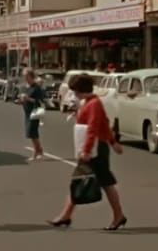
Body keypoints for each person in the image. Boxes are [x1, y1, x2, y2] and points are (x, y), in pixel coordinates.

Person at [49, 74, 127, 231]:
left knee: (96, 181)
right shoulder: (89, 102)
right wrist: (113, 143)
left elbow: (93, 128)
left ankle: (118, 215)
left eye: (75, 91)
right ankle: (66, 215)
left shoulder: (94, 104)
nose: (74, 94)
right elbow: (104, 124)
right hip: (94, 147)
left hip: (94, 149)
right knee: (88, 179)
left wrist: (86, 150)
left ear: (80, 90)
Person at [18, 68, 45, 161]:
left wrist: (29, 99)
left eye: (27, 76)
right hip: (27, 112)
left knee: (32, 132)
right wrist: (20, 99)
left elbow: (40, 100)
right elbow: (19, 99)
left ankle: (36, 152)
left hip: (34, 112)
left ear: (31, 76)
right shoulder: (24, 87)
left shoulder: (36, 87)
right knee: (31, 134)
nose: (25, 78)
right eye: (24, 76)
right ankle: (39, 150)